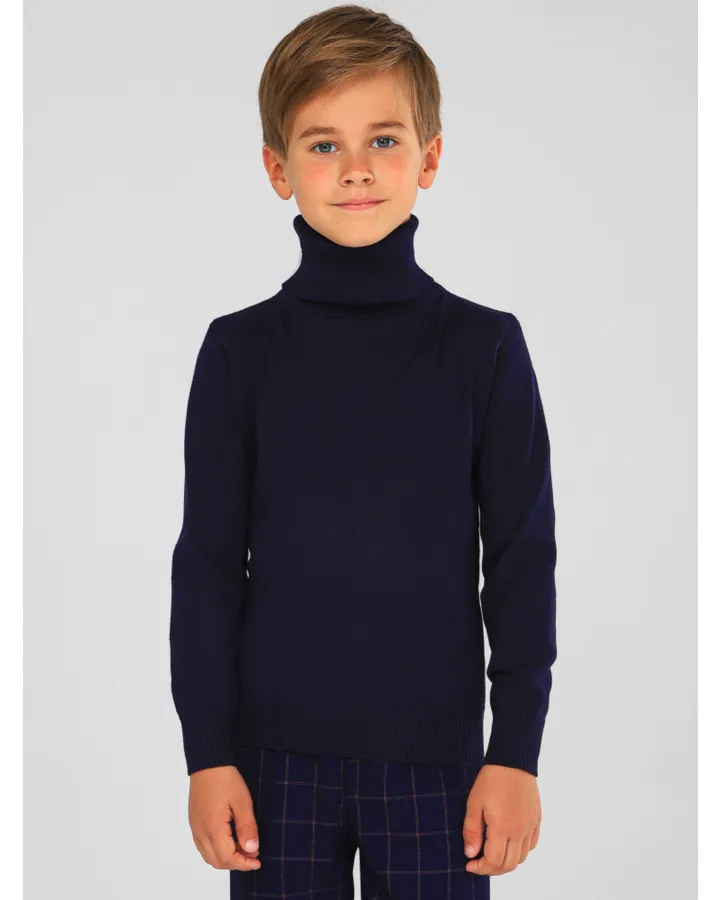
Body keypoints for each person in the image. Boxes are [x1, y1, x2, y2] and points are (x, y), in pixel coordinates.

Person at [169, 5, 557, 898]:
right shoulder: (239, 352)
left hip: (439, 768)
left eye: (383, 139)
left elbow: (520, 559)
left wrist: (516, 752)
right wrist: (208, 754)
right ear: (277, 168)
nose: (355, 169)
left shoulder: (484, 349)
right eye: (323, 144)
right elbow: (209, 565)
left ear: (430, 157)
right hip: (271, 768)